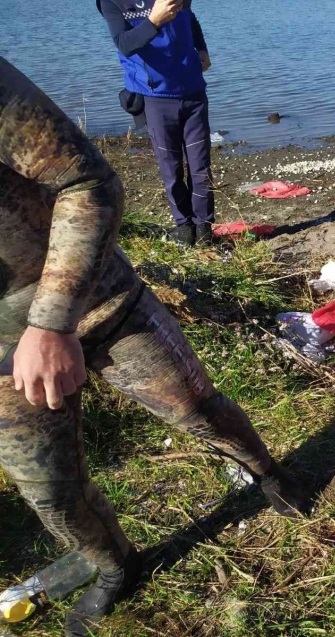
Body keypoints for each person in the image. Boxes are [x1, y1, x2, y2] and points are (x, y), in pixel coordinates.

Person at [0, 57, 306, 637]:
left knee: (198, 410)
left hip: (100, 303)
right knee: (51, 494)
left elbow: (88, 183)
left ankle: (270, 474)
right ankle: (116, 567)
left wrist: (52, 322)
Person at [97, 0, 216, 247]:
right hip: (155, 96)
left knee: (201, 165)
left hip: (193, 90)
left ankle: (204, 230)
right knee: (170, 168)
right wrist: (154, 20)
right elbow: (124, 44)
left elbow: (190, 18)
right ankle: (184, 227)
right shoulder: (111, 2)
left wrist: (201, 48)